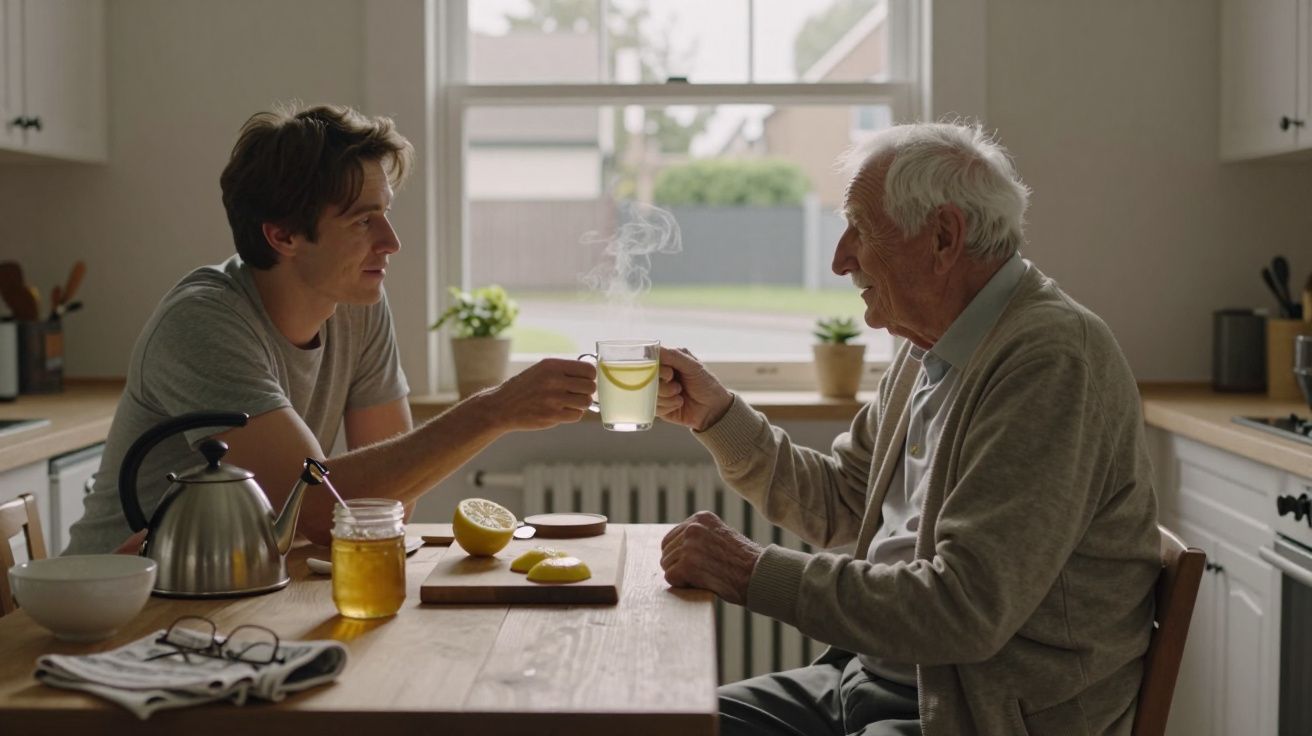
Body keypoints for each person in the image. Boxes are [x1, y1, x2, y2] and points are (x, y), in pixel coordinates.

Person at [655, 122, 1160, 735]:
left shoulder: (1050, 360)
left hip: (979, 713)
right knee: (668, 725)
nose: (840, 257)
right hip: (876, 682)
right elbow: (844, 500)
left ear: (943, 237)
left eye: (860, 230)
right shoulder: (932, 346)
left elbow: (964, 609)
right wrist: (715, 416)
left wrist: (749, 571)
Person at [65, 104, 596, 554]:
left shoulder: (356, 301)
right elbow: (318, 510)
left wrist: (490, 416)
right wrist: (495, 410)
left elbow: (390, 507)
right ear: (284, 235)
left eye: (385, 214)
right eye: (364, 221)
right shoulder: (203, 322)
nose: (391, 241)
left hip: (238, 587)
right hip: (115, 607)